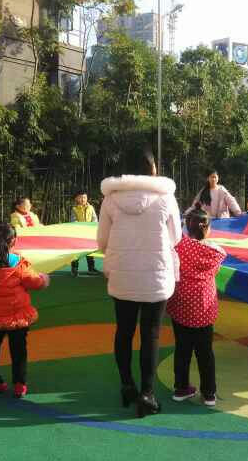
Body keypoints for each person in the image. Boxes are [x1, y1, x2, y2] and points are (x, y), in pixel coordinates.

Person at [97, 148, 182, 418]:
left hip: (122, 274)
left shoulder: (111, 199)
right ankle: (147, 392)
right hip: (155, 275)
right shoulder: (166, 197)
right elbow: (176, 238)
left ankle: (127, 385)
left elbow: (102, 241)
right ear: (152, 168)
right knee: (151, 333)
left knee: (124, 331)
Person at [0, 222, 50, 398]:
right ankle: (19, 384)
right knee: (18, 351)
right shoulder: (18, 263)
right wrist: (44, 279)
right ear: (14, 241)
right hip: (16, 315)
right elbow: (35, 282)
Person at [167, 209, 227, 407]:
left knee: (182, 350)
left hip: (181, 304)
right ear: (207, 228)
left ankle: (181, 388)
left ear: (187, 226)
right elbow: (216, 268)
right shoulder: (215, 253)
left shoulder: (179, 246)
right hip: (203, 307)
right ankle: (209, 393)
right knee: (205, 352)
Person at [69, 191, 100, 277]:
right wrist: (80, 227)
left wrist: (92, 226)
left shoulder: (91, 208)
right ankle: (74, 269)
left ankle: (91, 268)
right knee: (76, 252)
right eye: (81, 197)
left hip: (88, 234)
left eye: (84, 197)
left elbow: (95, 219)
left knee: (90, 251)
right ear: (76, 199)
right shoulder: (74, 209)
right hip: (77, 234)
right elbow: (73, 221)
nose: (83, 199)